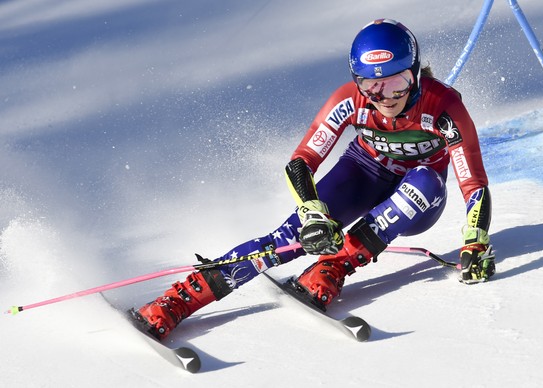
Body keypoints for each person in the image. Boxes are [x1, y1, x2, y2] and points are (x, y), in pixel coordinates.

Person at [130, 18, 495, 340]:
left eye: (397, 84)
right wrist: (312, 213)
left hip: (418, 198)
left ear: (415, 74)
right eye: (372, 86)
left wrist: (475, 240)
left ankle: (333, 266)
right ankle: (179, 299)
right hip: (364, 173)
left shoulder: (443, 107)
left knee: (426, 181)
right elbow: (300, 162)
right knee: (289, 240)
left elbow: (473, 182)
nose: (385, 98)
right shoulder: (348, 100)